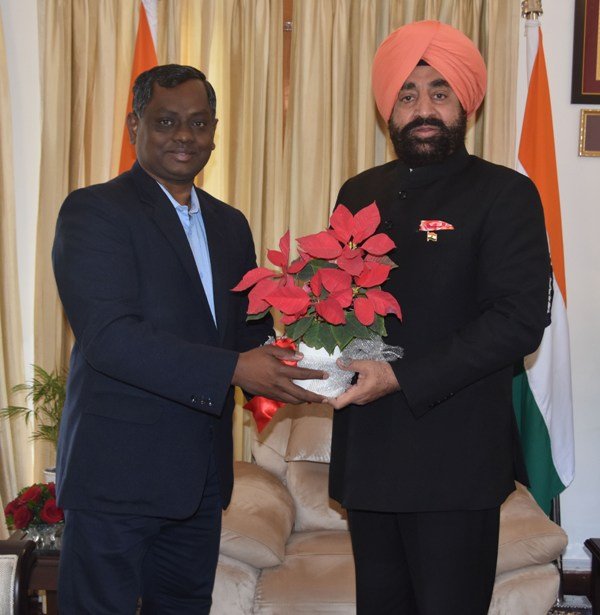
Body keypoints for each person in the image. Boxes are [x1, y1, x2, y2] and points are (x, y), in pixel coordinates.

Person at [52, 64, 325, 614]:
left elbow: (246, 331)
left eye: (198, 123)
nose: (184, 136)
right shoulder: (95, 211)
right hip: (116, 478)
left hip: (199, 483)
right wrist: (234, 369)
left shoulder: (230, 224)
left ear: (214, 132)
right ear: (135, 125)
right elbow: (110, 338)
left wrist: (322, 346)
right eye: (166, 121)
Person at [325, 21, 552, 615]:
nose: (423, 109)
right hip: (371, 456)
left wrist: (400, 376)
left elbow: (518, 321)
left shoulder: (506, 194)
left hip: (456, 461)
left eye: (439, 92)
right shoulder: (357, 191)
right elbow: (340, 304)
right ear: (389, 108)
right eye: (407, 94)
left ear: (465, 104)